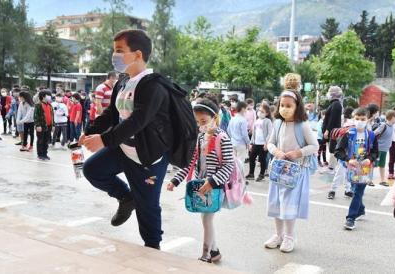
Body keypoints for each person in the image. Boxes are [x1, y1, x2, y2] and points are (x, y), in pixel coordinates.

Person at [81, 29, 173, 250]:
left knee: (148, 207)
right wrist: (90, 130)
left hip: (147, 157)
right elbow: (113, 114)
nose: (115, 56)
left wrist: (103, 140)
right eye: (114, 51)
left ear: (138, 54)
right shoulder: (122, 83)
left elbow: (137, 122)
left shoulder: (154, 86)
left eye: (120, 51)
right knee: (92, 169)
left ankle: (153, 249)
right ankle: (126, 198)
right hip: (123, 148)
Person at [168, 96, 233, 263]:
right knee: (206, 219)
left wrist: (213, 181)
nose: (200, 125)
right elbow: (191, 162)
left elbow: (228, 166)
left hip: (214, 187)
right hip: (199, 185)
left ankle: (206, 254)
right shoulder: (201, 137)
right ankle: (215, 251)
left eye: (203, 120)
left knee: (207, 218)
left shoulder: (222, 138)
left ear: (215, 118)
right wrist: (176, 180)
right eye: (197, 122)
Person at [264, 89, 318, 253]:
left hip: (295, 172)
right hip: (278, 170)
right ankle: (278, 235)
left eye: (289, 105)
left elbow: (314, 146)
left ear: (297, 106)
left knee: (289, 204)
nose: (285, 108)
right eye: (282, 105)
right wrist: (276, 152)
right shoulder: (278, 123)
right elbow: (270, 143)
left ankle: (289, 237)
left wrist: (298, 153)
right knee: (276, 203)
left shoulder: (303, 125)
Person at [335, 107, 378, 230]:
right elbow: (338, 151)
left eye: (363, 119)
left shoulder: (371, 135)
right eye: (357, 119)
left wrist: (370, 159)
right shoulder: (348, 134)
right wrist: (348, 159)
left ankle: (350, 218)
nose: (360, 121)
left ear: (368, 119)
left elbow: (375, 152)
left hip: (365, 169)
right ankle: (361, 210)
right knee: (355, 192)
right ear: (353, 119)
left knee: (358, 192)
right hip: (351, 168)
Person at [327, 107, 355, 199]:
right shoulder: (349, 132)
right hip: (344, 157)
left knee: (348, 174)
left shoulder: (358, 131)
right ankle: (332, 190)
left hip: (352, 158)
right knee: (339, 174)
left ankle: (347, 190)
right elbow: (340, 147)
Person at [247, 103, 273, 182]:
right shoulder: (257, 121)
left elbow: (270, 133)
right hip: (255, 143)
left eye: (262, 111)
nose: (260, 113)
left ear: (267, 113)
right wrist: (251, 143)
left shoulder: (268, 121)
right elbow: (254, 133)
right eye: (259, 111)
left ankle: (262, 174)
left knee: (262, 159)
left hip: (263, 144)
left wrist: (266, 143)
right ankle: (251, 174)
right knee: (251, 158)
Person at [322, 86, 343, 174]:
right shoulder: (334, 104)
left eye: (329, 92)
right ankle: (331, 167)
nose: (328, 94)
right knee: (331, 148)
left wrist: (327, 130)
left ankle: (331, 168)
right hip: (332, 131)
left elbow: (332, 119)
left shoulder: (336, 104)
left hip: (333, 132)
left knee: (332, 149)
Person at [373, 110, 395, 187]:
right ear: (392, 117)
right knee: (373, 165)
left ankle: (382, 180)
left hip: (385, 149)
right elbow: (374, 133)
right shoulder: (384, 125)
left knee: (382, 165)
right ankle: (369, 180)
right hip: (379, 148)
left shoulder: (392, 126)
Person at [34, 90, 54, 161]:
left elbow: (52, 116)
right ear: (43, 96)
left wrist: (53, 125)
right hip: (41, 126)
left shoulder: (50, 105)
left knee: (46, 140)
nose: (50, 97)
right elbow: (36, 116)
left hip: (48, 126)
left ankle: (45, 153)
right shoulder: (38, 105)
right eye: (48, 95)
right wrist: (37, 125)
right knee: (40, 140)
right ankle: (40, 154)